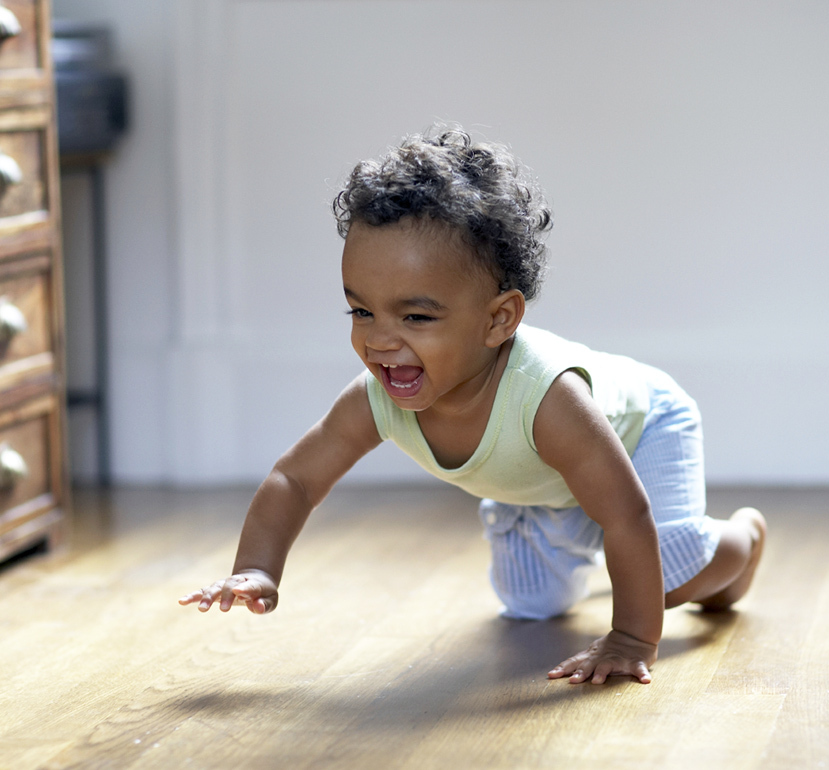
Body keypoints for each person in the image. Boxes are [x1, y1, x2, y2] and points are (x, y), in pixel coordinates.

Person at [179, 125, 766, 685]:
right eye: (361, 311)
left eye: (416, 316)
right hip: (550, 481)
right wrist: (258, 567)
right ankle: (582, 540)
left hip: (642, 434)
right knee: (531, 605)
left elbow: (626, 514)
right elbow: (295, 479)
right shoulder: (379, 399)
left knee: (667, 576)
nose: (380, 340)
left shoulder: (548, 396)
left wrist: (632, 638)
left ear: (498, 319)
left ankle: (743, 539)